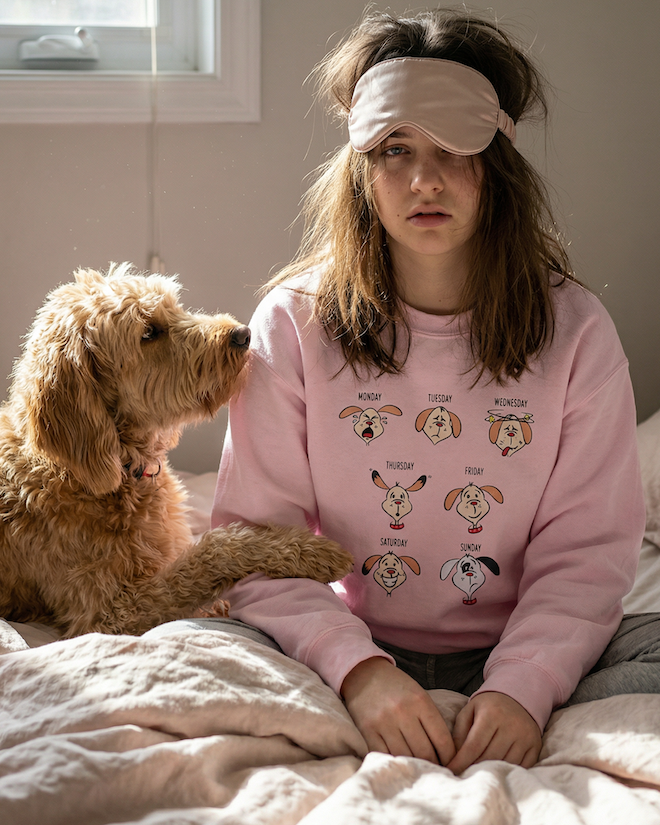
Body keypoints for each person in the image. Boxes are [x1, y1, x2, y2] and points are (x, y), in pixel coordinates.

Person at [209, 8, 657, 773]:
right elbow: (258, 540)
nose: (425, 179)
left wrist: (523, 688)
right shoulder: (294, 323)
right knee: (190, 647)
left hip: (527, 652)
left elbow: (587, 553)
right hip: (353, 649)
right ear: (360, 165)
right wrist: (360, 672)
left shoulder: (577, 330)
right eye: (394, 149)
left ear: (501, 159)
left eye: (455, 149)